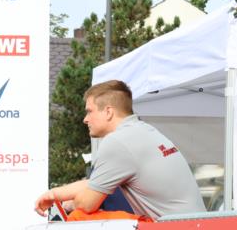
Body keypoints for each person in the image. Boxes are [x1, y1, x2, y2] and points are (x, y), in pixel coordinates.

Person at [34, 80, 206, 221]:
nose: (85, 119)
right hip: (195, 227)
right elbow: (96, 182)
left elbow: (86, 205)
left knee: (80, 216)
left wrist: (71, 203)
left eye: (89, 112)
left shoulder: (117, 142)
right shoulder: (143, 131)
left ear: (108, 112)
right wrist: (54, 194)